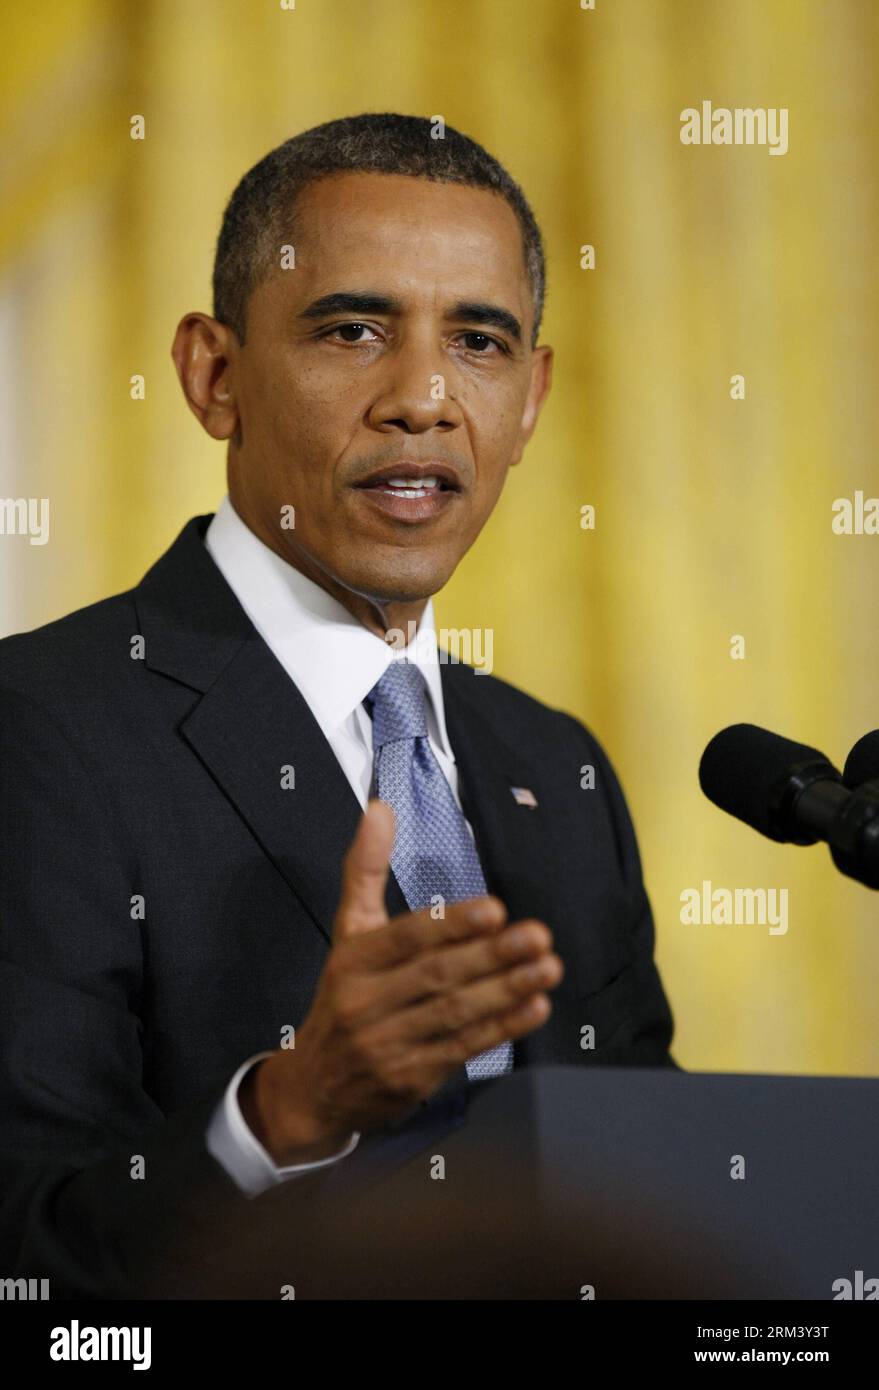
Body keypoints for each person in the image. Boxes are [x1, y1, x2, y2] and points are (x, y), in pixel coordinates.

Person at [0, 113, 676, 1298]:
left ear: (530, 400)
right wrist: (285, 1111)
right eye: (354, 328)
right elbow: (26, 1258)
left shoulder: (555, 767)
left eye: (479, 340)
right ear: (216, 376)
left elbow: (641, 1211)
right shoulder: (43, 729)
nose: (422, 399)